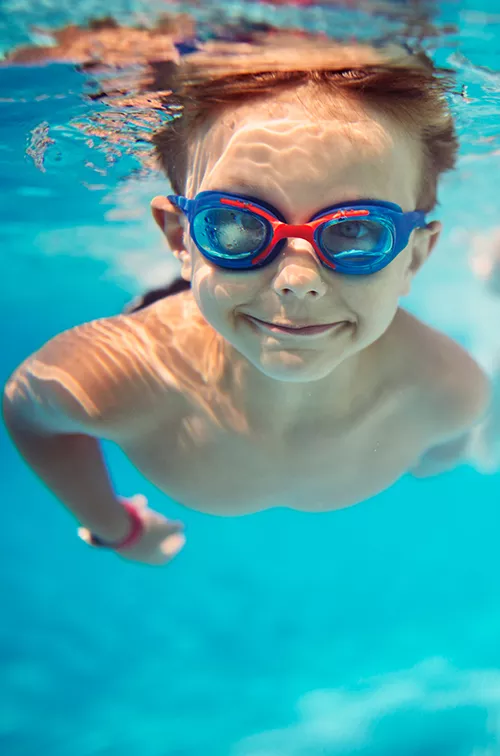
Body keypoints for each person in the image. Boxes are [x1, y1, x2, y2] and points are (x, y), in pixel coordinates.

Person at [2, 37, 496, 567]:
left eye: (355, 232)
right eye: (235, 223)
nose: (297, 279)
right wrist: (113, 527)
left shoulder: (449, 393)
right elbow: (27, 412)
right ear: (179, 239)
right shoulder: (114, 378)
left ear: (414, 259)